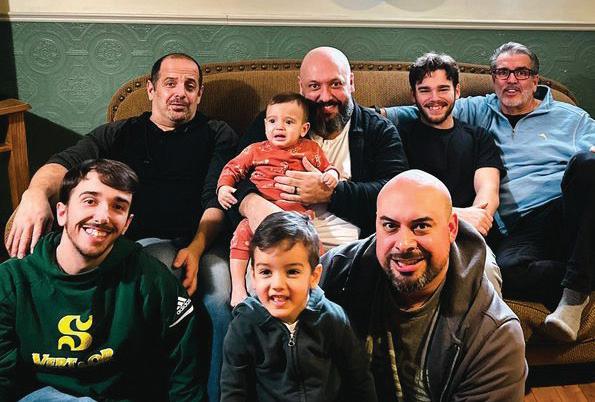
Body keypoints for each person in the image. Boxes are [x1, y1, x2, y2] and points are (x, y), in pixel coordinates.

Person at [4, 53, 238, 400]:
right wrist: (35, 194)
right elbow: (64, 164)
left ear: (199, 94)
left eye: (190, 86)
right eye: (170, 83)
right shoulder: (120, 133)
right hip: (144, 240)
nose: (180, 92)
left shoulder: (217, 132)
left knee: (219, 298)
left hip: (205, 237)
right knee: (160, 280)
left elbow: (215, 197)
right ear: (151, 89)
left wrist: (197, 247)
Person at [385, 42, 595, 342]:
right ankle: (582, 270)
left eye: (521, 72)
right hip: (520, 230)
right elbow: (426, 108)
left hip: (564, 211)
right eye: (502, 72)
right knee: (509, 271)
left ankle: (574, 296)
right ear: (493, 78)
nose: (511, 80)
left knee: (588, 164)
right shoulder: (478, 109)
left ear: (535, 79)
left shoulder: (572, 118)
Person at [0, 159, 205, 401]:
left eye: (118, 206)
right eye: (90, 201)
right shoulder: (11, 282)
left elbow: (184, 379)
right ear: (62, 213)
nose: (102, 216)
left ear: (127, 224)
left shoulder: (151, 280)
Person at [320, 170, 527, 401]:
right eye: (390, 225)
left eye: (420, 226)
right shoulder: (334, 273)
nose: (403, 244)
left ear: (451, 229)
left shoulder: (494, 335)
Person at [233, 46, 408, 246]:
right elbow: (233, 177)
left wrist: (331, 193)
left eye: (335, 84)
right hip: (278, 246)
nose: (325, 97)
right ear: (301, 87)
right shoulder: (276, 123)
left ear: (351, 82)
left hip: (354, 251)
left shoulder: (379, 130)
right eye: (314, 86)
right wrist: (251, 204)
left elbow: (398, 193)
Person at [221, 212, 376, 402]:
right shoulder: (244, 326)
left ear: (314, 276)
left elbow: (359, 381)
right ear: (253, 276)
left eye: (292, 271)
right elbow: (234, 391)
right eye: (266, 272)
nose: (277, 284)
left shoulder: (333, 319)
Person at [217, 93, 339, 307]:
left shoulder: (310, 149)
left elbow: (328, 168)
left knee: (313, 242)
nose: (279, 127)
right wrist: (224, 187)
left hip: (297, 215)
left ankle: (316, 287)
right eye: (273, 121)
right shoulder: (255, 149)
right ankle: (238, 287)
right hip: (258, 216)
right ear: (265, 125)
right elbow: (232, 168)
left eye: (288, 122)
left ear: (304, 128)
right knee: (241, 233)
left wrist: (331, 176)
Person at [400, 52, 506, 293]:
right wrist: (453, 216)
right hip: (416, 234)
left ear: (457, 91)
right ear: (413, 95)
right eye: (425, 90)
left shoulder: (478, 137)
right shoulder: (399, 135)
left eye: (443, 89)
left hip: (468, 235)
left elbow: (488, 191)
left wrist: (473, 221)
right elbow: (401, 196)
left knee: (486, 273)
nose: (434, 98)